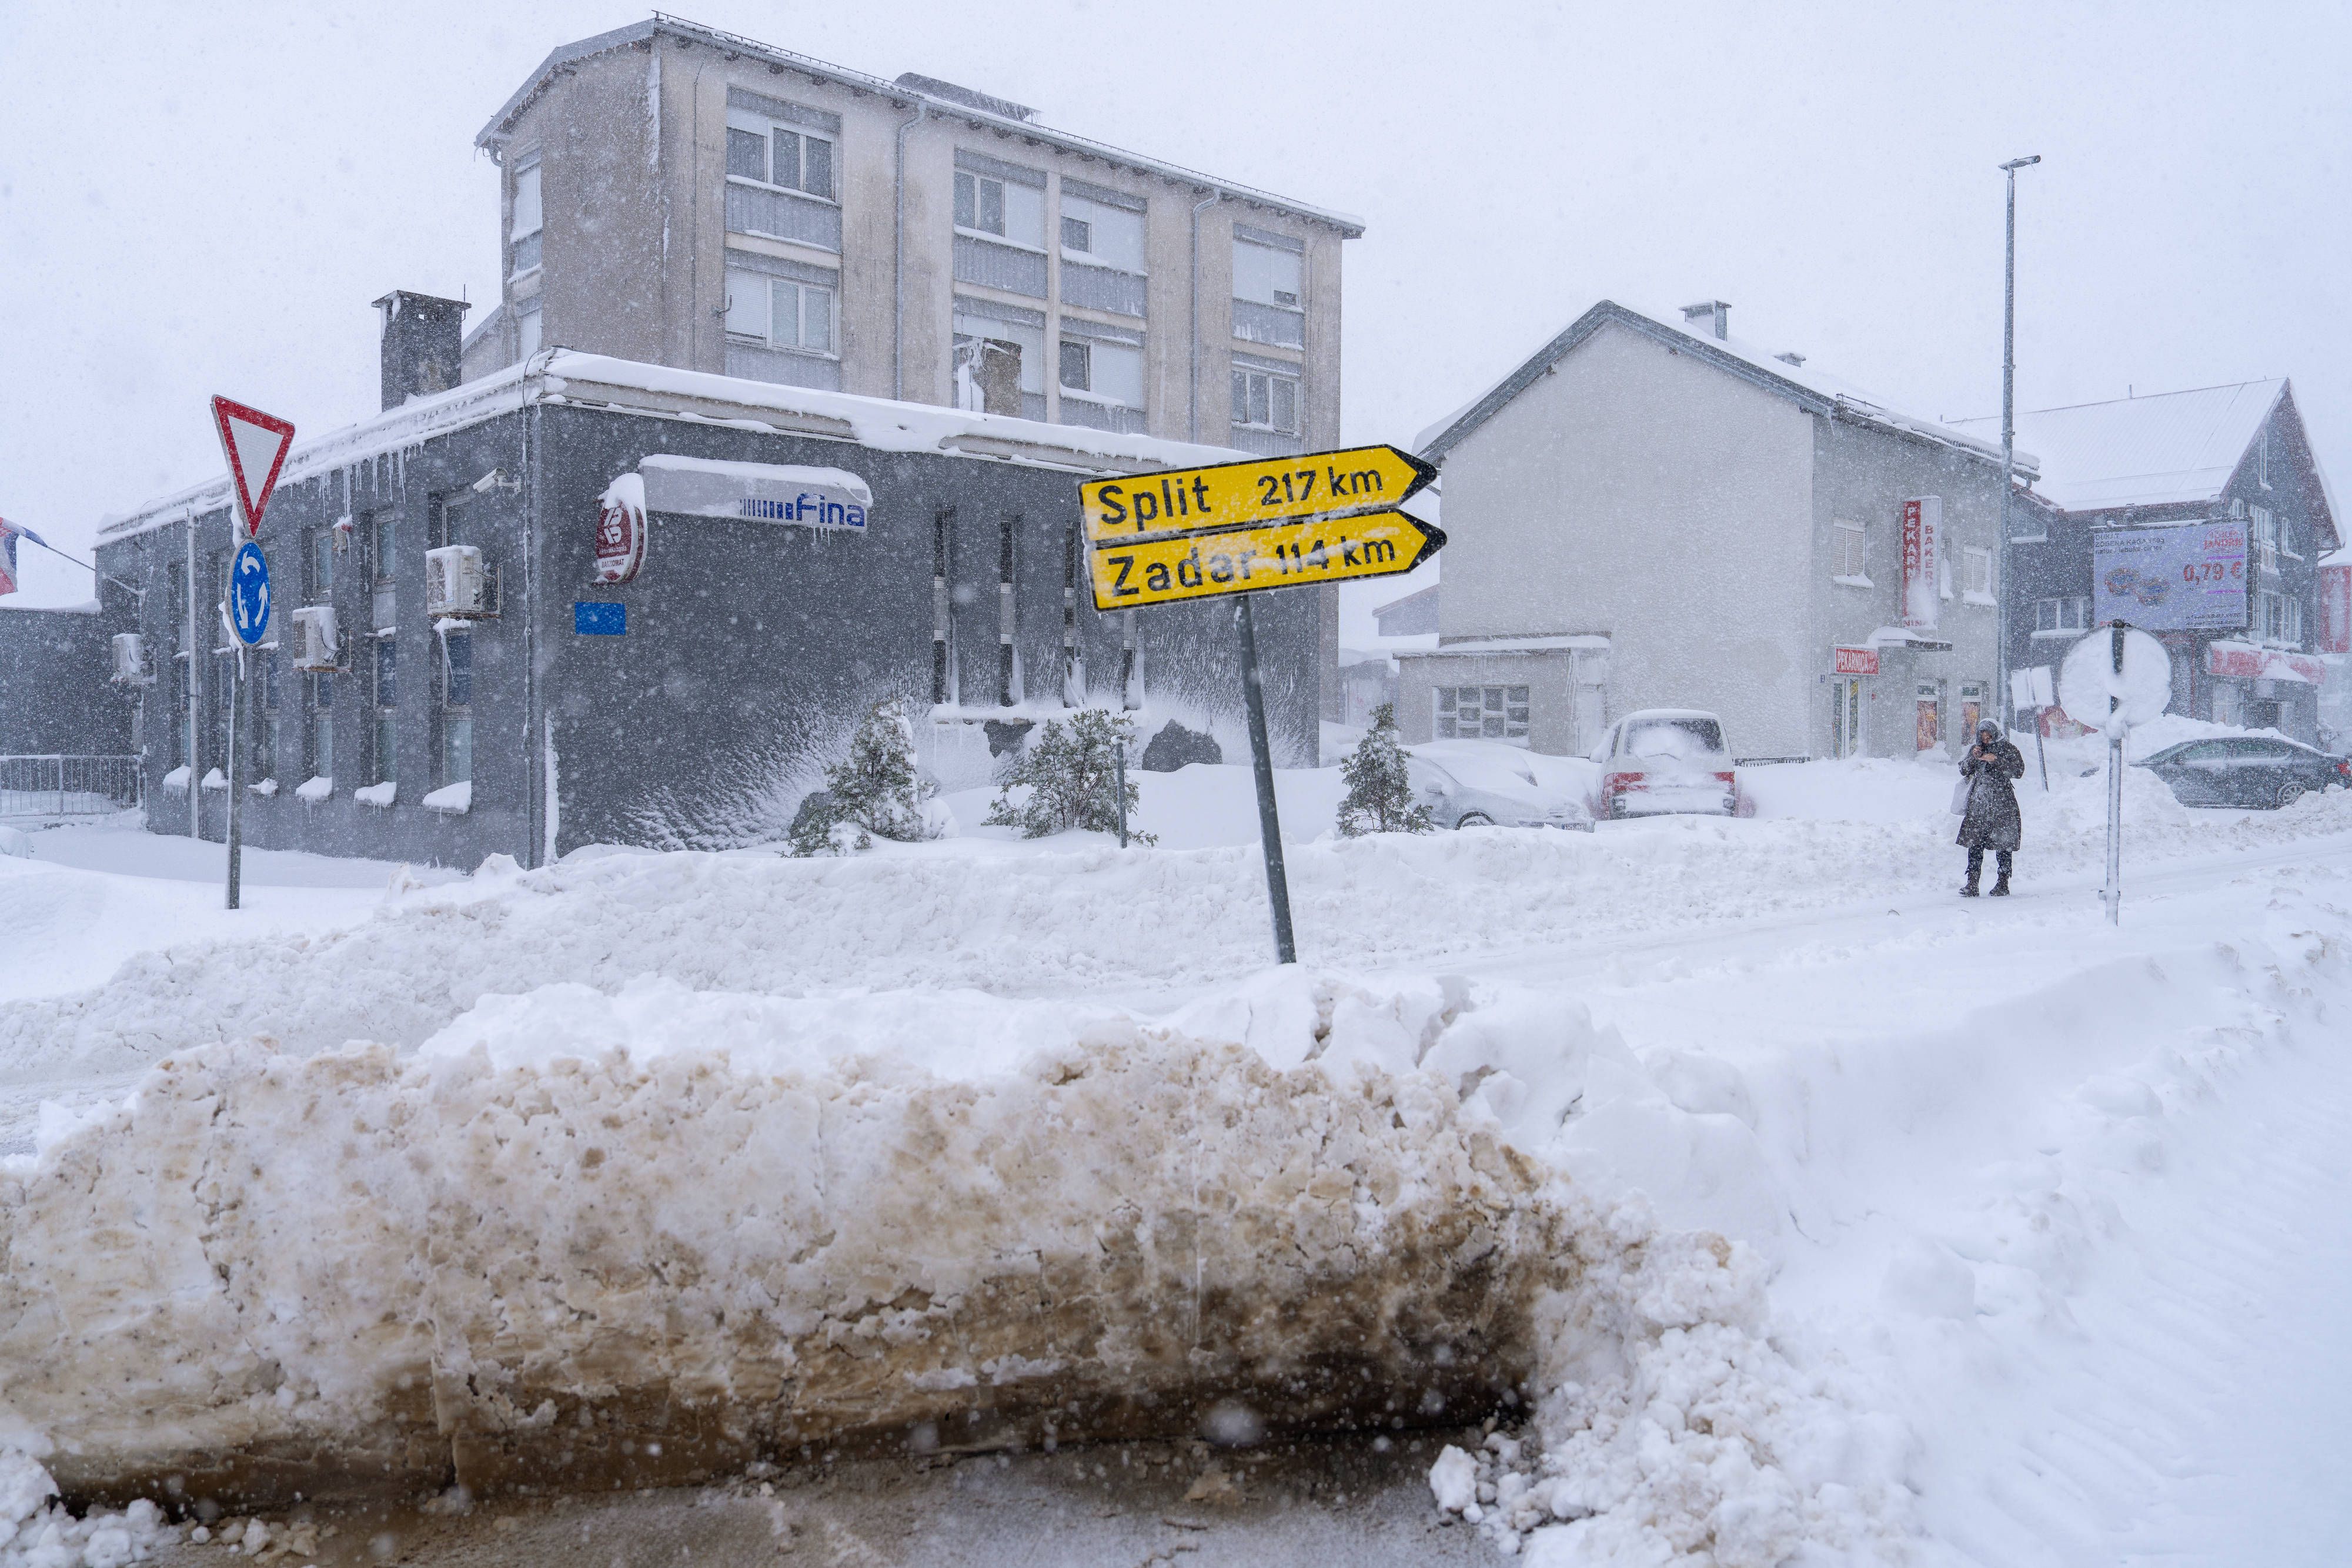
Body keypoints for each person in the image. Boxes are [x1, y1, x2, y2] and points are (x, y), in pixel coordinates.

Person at [1956, 721, 2026, 896]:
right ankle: (1972, 884)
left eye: (1989, 737)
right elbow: (1963, 769)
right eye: (1982, 737)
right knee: (1975, 844)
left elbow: (2018, 771)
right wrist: (1974, 757)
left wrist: (1996, 760)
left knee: (2004, 844)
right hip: (1979, 806)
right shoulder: (1976, 749)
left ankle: (2003, 883)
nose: (1986, 740)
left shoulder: (2009, 749)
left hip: (2003, 805)